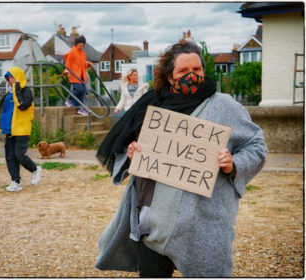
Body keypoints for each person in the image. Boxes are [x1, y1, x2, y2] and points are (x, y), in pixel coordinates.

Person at [95, 41, 267, 277]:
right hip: (150, 223)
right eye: (183, 71)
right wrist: (132, 154)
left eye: (197, 70)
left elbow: (256, 145)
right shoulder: (151, 104)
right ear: (169, 76)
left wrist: (234, 163)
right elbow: (124, 148)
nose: (192, 76)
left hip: (199, 226)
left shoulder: (224, 106)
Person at [0, 66, 42, 192]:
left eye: (13, 78)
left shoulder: (26, 91)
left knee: (19, 154)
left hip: (21, 128)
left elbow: (21, 105)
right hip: (9, 129)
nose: (10, 81)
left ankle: (35, 169)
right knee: (9, 156)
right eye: (9, 78)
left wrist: (16, 89)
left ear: (19, 78)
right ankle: (15, 181)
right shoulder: (8, 94)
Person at [63, 35, 93, 115]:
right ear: (77, 43)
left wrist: (87, 64)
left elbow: (82, 63)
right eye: (80, 45)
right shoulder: (73, 51)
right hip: (74, 74)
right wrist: (67, 72)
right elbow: (68, 62)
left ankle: (81, 108)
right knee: (78, 89)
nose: (81, 47)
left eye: (83, 45)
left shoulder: (82, 52)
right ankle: (69, 100)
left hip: (81, 75)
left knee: (83, 91)